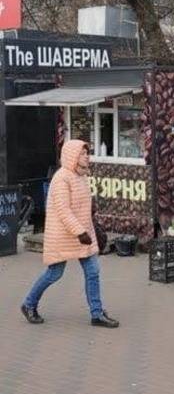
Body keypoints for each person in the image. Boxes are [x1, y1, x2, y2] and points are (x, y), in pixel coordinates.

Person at [21, 140, 119, 328]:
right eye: (83, 153)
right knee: (54, 273)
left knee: (93, 271)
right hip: (65, 235)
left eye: (87, 153)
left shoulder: (80, 176)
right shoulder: (61, 178)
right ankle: (29, 304)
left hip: (82, 235)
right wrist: (80, 232)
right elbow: (63, 210)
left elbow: (80, 206)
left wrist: (90, 215)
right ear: (72, 155)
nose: (87, 156)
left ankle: (97, 313)